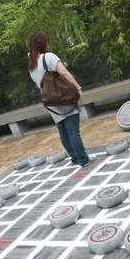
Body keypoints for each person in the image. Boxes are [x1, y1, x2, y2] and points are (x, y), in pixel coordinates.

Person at [27, 32, 91, 167]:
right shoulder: (49, 57)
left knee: (63, 132)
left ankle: (75, 158)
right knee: (73, 131)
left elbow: (39, 84)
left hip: (50, 101)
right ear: (43, 44)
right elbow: (65, 73)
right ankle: (83, 160)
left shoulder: (32, 64)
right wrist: (77, 87)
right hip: (64, 97)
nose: (48, 43)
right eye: (47, 41)